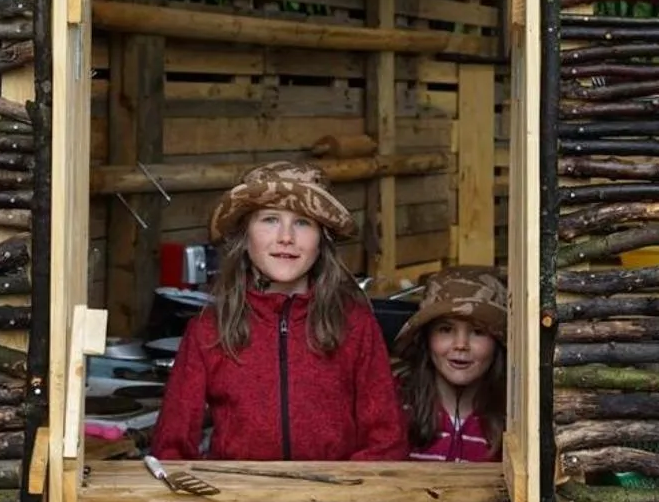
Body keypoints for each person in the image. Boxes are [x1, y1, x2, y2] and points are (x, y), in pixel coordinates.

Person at [153, 162, 407, 462]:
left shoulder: (355, 325)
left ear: (321, 240)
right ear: (244, 236)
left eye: (303, 222)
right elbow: (170, 449)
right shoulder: (208, 330)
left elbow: (387, 441)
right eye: (270, 219)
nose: (286, 236)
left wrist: (341, 500)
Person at [393, 266, 508, 463]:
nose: (461, 345)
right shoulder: (395, 405)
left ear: (497, 342)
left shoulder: (513, 419)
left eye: (478, 332)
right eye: (446, 329)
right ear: (426, 338)